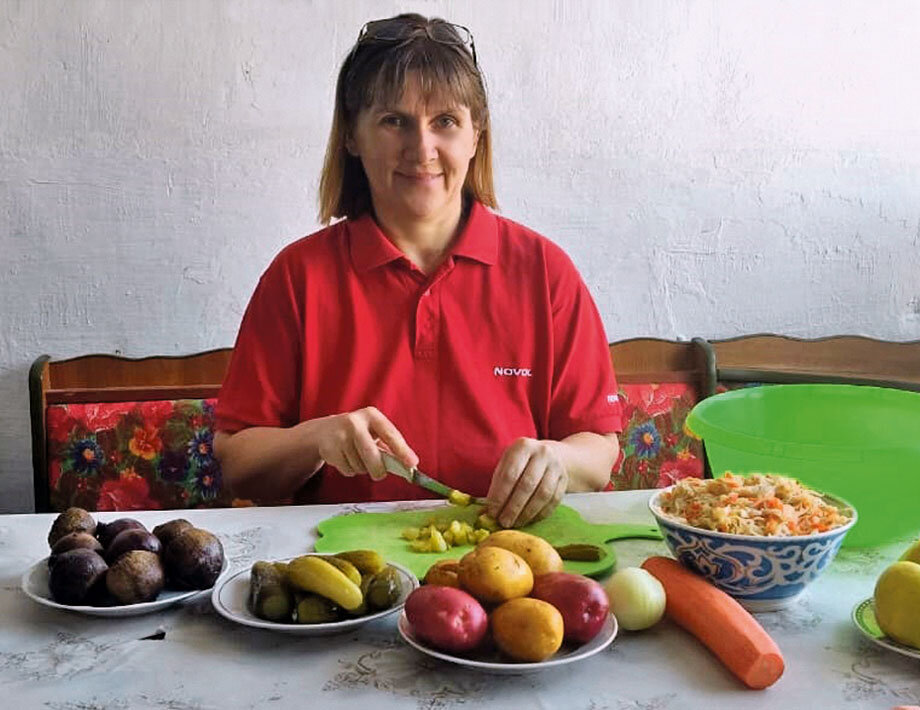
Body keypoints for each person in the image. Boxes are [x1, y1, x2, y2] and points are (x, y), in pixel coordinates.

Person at [213, 13, 622, 528]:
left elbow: (599, 450)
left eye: (445, 121)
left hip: (512, 563)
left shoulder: (546, 272)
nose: (421, 149)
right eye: (393, 121)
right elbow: (238, 465)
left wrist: (557, 461)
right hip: (345, 574)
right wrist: (315, 438)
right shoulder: (297, 276)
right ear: (352, 137)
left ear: (477, 135)